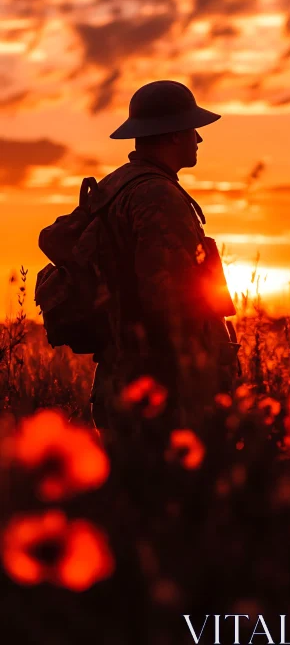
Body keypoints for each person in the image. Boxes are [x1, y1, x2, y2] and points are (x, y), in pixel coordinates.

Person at [90, 80, 240, 433]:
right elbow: (169, 305)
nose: (199, 139)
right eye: (193, 130)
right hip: (157, 390)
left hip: (125, 377)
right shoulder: (157, 195)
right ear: (173, 135)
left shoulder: (117, 185)